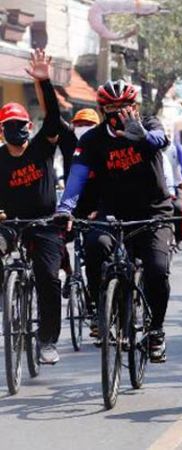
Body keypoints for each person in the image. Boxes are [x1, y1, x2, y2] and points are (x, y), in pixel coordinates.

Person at [56, 79, 172, 362]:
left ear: (135, 107)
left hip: (154, 212)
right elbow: (77, 177)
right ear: (102, 109)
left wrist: (141, 135)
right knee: (95, 247)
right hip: (112, 214)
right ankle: (100, 307)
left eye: (125, 107)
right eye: (111, 108)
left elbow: (161, 141)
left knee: (157, 270)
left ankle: (156, 331)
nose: (119, 113)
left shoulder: (150, 124)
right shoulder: (92, 140)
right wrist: (65, 208)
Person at [0, 49, 68, 364]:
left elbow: (53, 118)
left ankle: (47, 341)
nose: (17, 128)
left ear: (29, 125)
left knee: (49, 279)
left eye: (21, 123)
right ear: (2, 131)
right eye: (10, 125)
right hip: (10, 225)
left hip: (45, 225)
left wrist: (44, 81)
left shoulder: (41, 147)